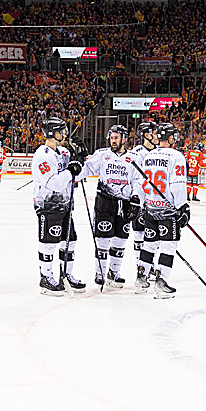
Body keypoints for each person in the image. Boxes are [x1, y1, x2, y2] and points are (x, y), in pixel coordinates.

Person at [130, 122, 189, 298]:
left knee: (149, 244)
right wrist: (182, 207)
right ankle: (161, 283)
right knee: (169, 245)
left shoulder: (149, 156)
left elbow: (142, 183)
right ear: (170, 138)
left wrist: (141, 204)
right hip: (167, 210)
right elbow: (177, 184)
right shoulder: (177, 156)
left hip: (150, 207)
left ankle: (141, 280)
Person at [31, 117, 87, 295]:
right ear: (53, 134)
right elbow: (55, 183)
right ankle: (45, 278)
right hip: (48, 205)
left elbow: (77, 173)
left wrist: (81, 157)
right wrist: (71, 170)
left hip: (65, 205)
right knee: (49, 243)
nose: (65, 134)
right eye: (62, 131)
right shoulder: (42, 155)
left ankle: (66, 274)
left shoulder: (62, 152)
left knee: (70, 241)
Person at [76, 124, 135, 289]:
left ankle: (114, 272)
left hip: (124, 203)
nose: (113, 141)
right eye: (111, 137)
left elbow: (137, 180)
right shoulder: (102, 155)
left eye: (116, 138)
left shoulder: (133, 158)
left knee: (121, 240)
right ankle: (100, 272)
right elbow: (86, 170)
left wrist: (136, 199)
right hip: (105, 202)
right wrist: (77, 164)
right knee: (102, 239)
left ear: (124, 139)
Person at [128, 120, 159, 279]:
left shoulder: (160, 152)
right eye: (154, 133)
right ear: (147, 135)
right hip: (141, 202)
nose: (157, 136)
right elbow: (133, 179)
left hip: (156, 201)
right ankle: (141, 267)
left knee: (155, 235)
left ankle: (152, 265)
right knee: (140, 233)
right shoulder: (136, 153)